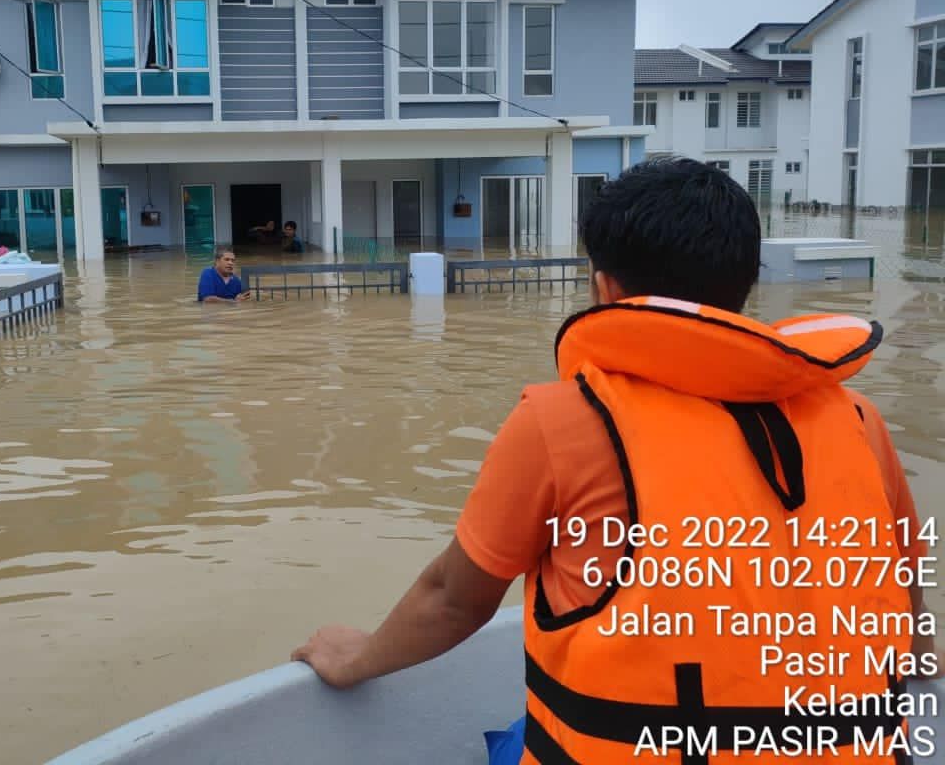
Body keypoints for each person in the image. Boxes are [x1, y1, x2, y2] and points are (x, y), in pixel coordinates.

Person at [292, 157, 938, 760]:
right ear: (746, 284)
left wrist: (356, 658)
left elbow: (452, 601)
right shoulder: (857, 419)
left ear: (604, 287)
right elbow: (907, 599)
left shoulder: (562, 422)